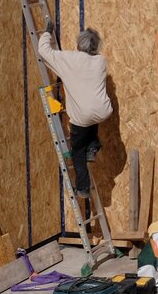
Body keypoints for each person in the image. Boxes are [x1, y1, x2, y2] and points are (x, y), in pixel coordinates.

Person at [38, 22, 113, 198]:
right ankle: (93, 146)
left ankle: (83, 188)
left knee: (77, 151)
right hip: (102, 112)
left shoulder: (68, 59)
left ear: (79, 44)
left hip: (82, 117)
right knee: (92, 117)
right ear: (95, 47)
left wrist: (48, 32)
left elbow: (43, 51)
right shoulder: (101, 62)